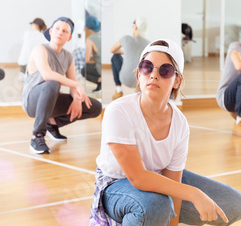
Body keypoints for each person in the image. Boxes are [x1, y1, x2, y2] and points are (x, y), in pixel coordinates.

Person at [78, 39, 241, 226]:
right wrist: (195, 194)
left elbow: (173, 181)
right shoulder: (119, 111)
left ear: (177, 80)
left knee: (235, 205)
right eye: (147, 67)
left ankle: (173, 223)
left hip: (157, 181)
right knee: (157, 206)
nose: (154, 75)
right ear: (139, 73)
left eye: (165, 70)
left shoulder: (179, 122)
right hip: (118, 186)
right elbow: (138, 178)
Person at [21, 17, 102, 154]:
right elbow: (47, 75)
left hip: (50, 100)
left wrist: (76, 98)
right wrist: (76, 85)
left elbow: (72, 86)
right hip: (31, 101)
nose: (60, 32)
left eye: (65, 31)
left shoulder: (68, 57)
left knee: (94, 107)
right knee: (51, 83)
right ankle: (37, 136)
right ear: (51, 31)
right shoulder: (40, 49)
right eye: (57, 29)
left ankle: (51, 124)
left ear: (69, 37)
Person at [110, 17, 150, 100]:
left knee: (115, 57)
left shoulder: (126, 38)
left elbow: (112, 50)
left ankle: (118, 90)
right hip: (140, 81)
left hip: (125, 79)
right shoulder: (148, 43)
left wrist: (125, 52)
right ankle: (142, 92)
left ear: (135, 27)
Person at [82, 15, 102, 92]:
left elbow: (86, 60)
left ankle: (99, 80)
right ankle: (100, 83)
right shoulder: (103, 34)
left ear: (87, 27)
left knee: (83, 70)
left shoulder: (90, 39)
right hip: (104, 67)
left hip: (99, 68)